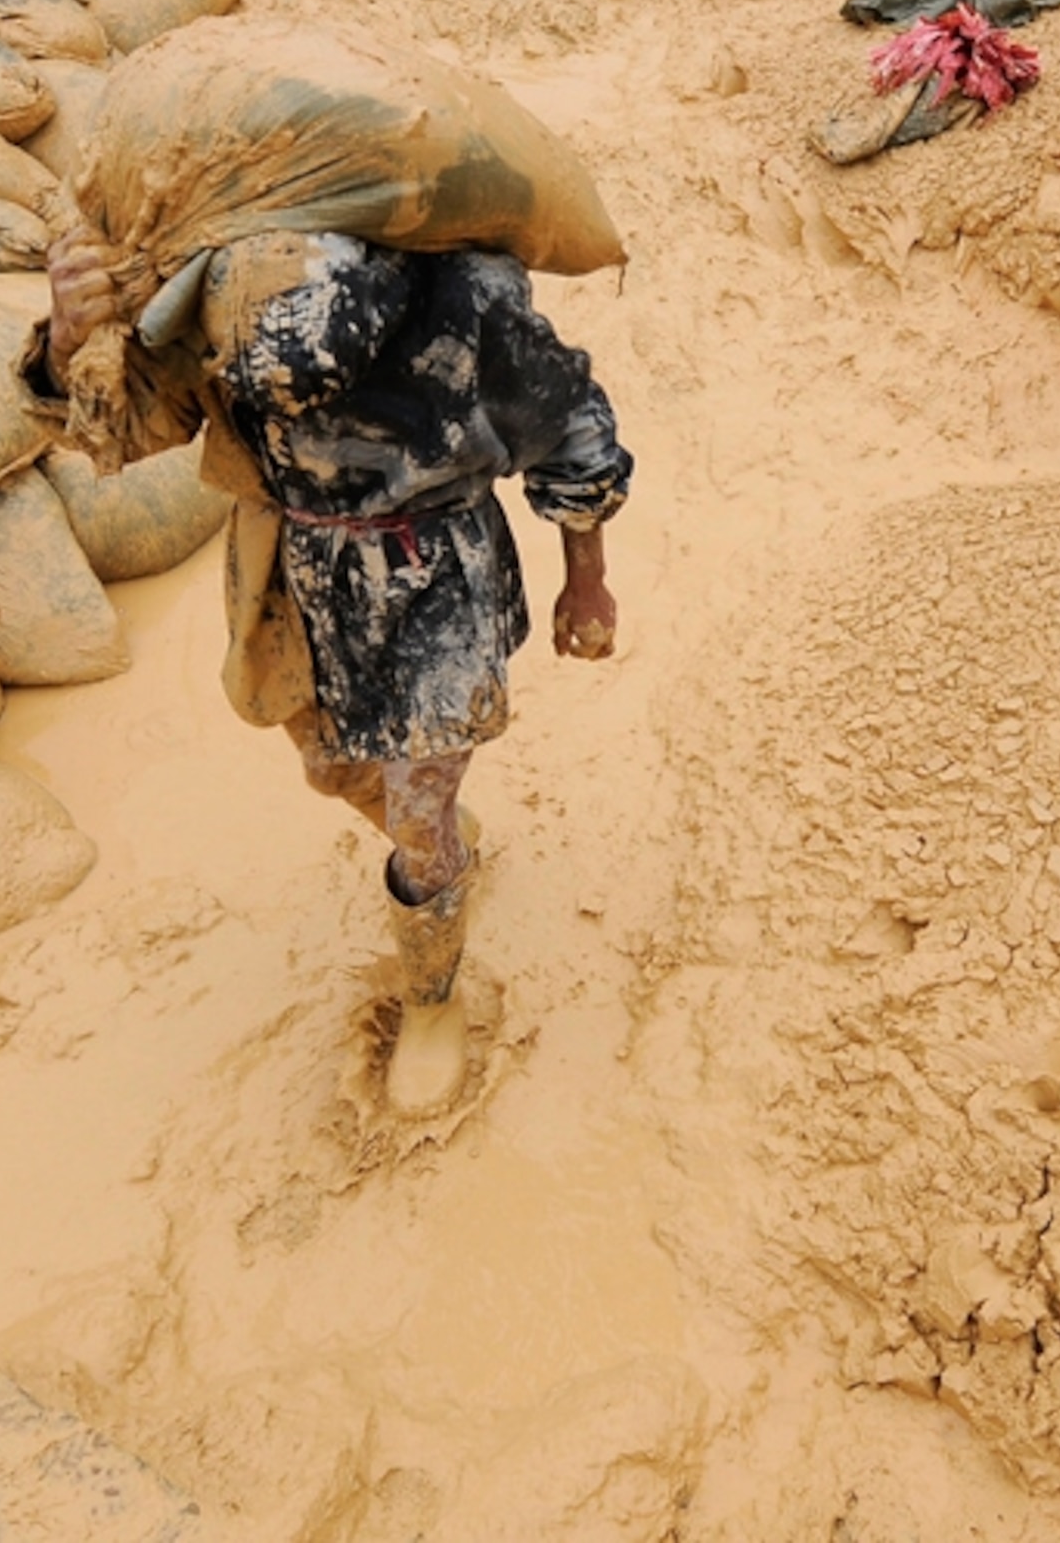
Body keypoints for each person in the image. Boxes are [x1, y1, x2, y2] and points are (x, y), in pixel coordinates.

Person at [43, 225, 631, 1112]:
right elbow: (134, 424)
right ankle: (442, 833)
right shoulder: (228, 284)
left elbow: (570, 424)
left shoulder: (463, 286)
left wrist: (587, 580)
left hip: (434, 573)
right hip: (294, 567)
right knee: (331, 768)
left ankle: (432, 995)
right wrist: (68, 339)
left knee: (417, 812)